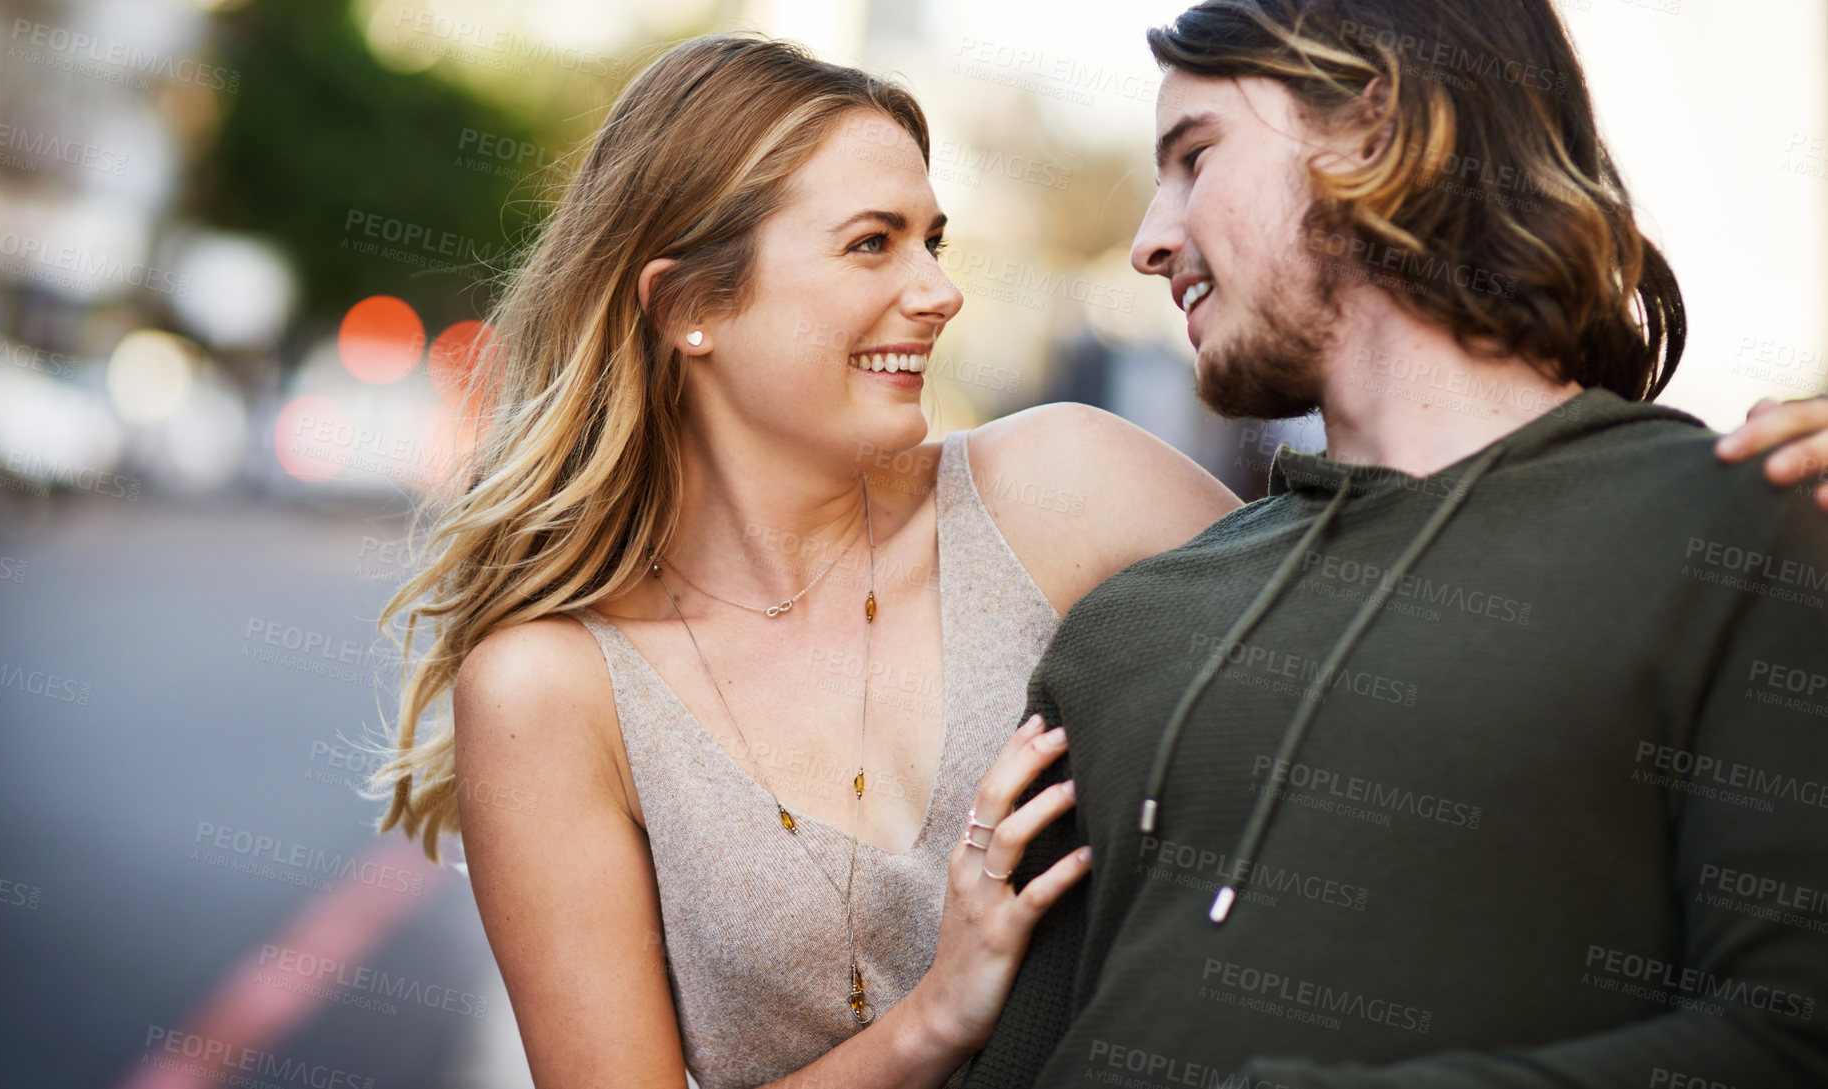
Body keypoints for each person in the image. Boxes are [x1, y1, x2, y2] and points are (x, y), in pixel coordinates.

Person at [365, 24, 1828, 1089]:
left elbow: (1419, 610)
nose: (936, 292)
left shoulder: (1061, 491)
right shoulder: (553, 688)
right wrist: (937, 1013)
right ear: (689, 306)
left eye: (935, 238)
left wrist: (1734, 494)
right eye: (871, 243)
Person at [959, 2, 1828, 1087]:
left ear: (1375, 132)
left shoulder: (1736, 533)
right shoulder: (1123, 628)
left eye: (1194, 156)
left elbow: (1790, 1038)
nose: (1148, 239)